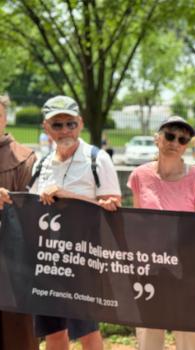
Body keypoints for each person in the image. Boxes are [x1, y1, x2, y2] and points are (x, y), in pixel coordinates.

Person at [30, 95, 122, 350]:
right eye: (57, 125)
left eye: (70, 123)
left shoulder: (98, 159)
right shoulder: (41, 163)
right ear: (46, 128)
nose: (65, 130)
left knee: (87, 332)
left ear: (80, 124)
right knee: (54, 333)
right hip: (48, 262)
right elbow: (30, 208)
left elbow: (113, 208)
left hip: (83, 261)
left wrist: (67, 196)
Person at [127, 116, 195, 350]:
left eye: (182, 139)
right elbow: (137, 219)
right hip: (150, 266)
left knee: (189, 335)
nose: (175, 142)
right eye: (170, 135)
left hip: (187, 267)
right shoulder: (139, 175)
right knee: (149, 332)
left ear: (187, 145)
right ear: (157, 139)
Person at [0, 95, 39, 349]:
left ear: (4, 118)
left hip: (12, 262)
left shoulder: (24, 158)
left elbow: (31, 211)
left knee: (16, 333)